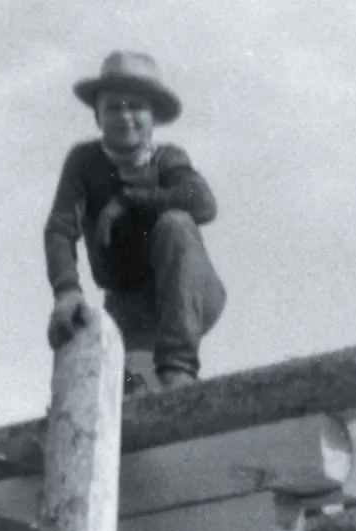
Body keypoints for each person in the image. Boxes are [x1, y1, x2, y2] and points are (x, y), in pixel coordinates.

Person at [45, 49, 226, 389]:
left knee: (175, 223)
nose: (126, 117)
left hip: (188, 295)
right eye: (114, 107)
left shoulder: (168, 158)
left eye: (137, 107)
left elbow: (203, 203)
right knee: (126, 390)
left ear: (153, 117)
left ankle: (180, 369)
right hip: (130, 308)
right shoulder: (84, 162)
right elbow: (60, 228)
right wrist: (66, 292)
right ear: (98, 116)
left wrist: (131, 201)